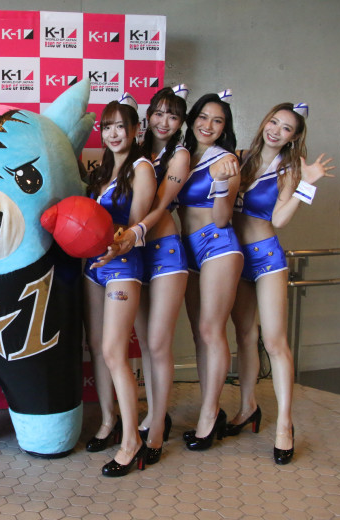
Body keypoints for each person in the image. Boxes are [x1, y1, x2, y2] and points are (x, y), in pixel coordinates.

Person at [228, 102, 334, 464]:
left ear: (293, 137)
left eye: (286, 128)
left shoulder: (289, 169)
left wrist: (307, 183)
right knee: (244, 336)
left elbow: (279, 219)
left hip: (267, 259)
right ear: (264, 123)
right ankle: (247, 408)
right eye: (274, 122)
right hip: (234, 257)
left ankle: (285, 425)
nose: (276, 130)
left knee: (274, 341)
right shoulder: (240, 157)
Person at [83, 94, 156, 476]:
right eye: (107, 126)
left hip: (124, 264)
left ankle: (132, 441)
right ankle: (108, 421)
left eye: (120, 126)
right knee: (97, 347)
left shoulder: (142, 168)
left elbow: (134, 225)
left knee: (114, 351)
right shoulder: (102, 172)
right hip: (93, 265)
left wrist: (103, 232)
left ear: (135, 129)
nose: (113, 133)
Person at [127, 84, 191, 464]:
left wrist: (135, 231)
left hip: (165, 252)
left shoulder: (179, 156)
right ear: (148, 116)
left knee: (158, 343)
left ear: (181, 123)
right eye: (159, 113)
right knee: (145, 344)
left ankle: (155, 434)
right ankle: (154, 414)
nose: (165, 122)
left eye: (174, 116)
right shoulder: (137, 152)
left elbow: (160, 203)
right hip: (135, 253)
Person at [176, 90, 243, 451]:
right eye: (203, 117)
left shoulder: (226, 160)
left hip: (217, 245)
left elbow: (221, 218)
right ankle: (210, 406)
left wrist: (220, 184)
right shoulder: (184, 155)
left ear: (224, 128)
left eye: (218, 121)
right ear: (193, 119)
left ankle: (208, 415)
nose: (208, 125)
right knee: (199, 334)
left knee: (211, 330)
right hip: (186, 250)